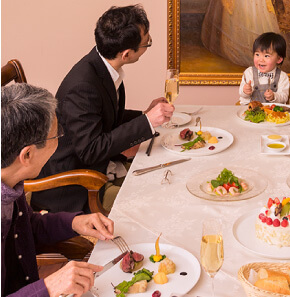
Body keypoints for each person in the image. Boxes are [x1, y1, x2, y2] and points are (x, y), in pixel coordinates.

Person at [32, 5, 174, 213]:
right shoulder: (82, 86)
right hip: (77, 188)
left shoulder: (101, 65)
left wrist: (144, 115)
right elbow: (91, 150)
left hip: (102, 168)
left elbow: (102, 115)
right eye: (147, 43)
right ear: (126, 54)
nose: (148, 44)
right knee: (160, 199)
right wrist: (147, 122)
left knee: (167, 175)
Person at [1, 83, 115, 297]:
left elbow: (25, 228)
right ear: (27, 155)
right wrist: (49, 287)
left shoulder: (10, 181)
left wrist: (73, 222)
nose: (60, 139)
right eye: (56, 135)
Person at [239, 32, 290, 105]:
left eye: (266, 56)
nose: (261, 60)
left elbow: (284, 97)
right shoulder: (249, 72)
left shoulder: (282, 76)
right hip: (250, 111)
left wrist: (274, 96)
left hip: (272, 112)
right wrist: (245, 91)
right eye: (257, 54)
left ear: (279, 59)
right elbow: (242, 95)